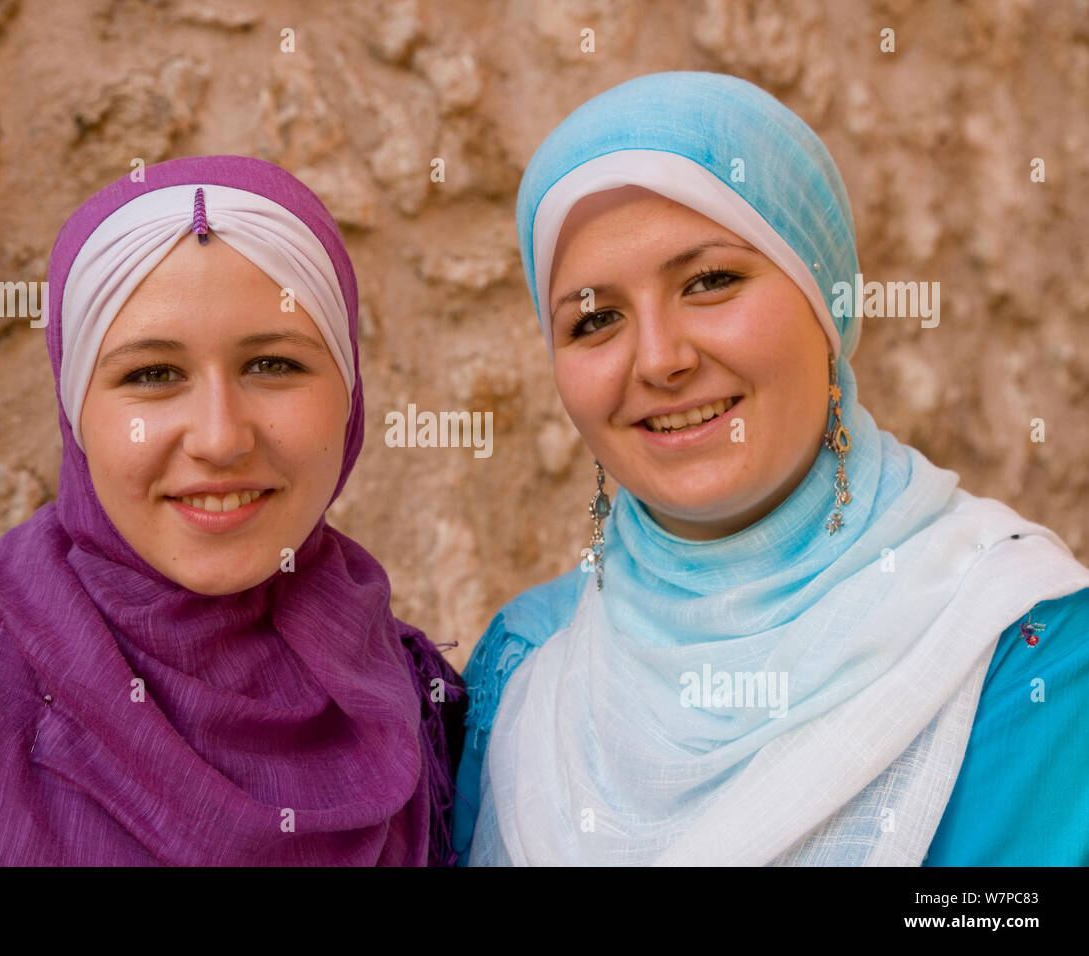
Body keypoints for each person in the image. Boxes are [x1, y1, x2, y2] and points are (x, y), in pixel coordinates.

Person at [453, 71, 1089, 866]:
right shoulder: (523, 667)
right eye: (596, 319)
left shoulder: (1021, 639)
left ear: (827, 301)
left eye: (710, 281)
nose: (660, 360)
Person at [0, 155, 464, 866]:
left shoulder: (410, 695)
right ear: (75, 410)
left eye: (272, 365)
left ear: (349, 393)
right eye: (151, 375)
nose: (220, 437)